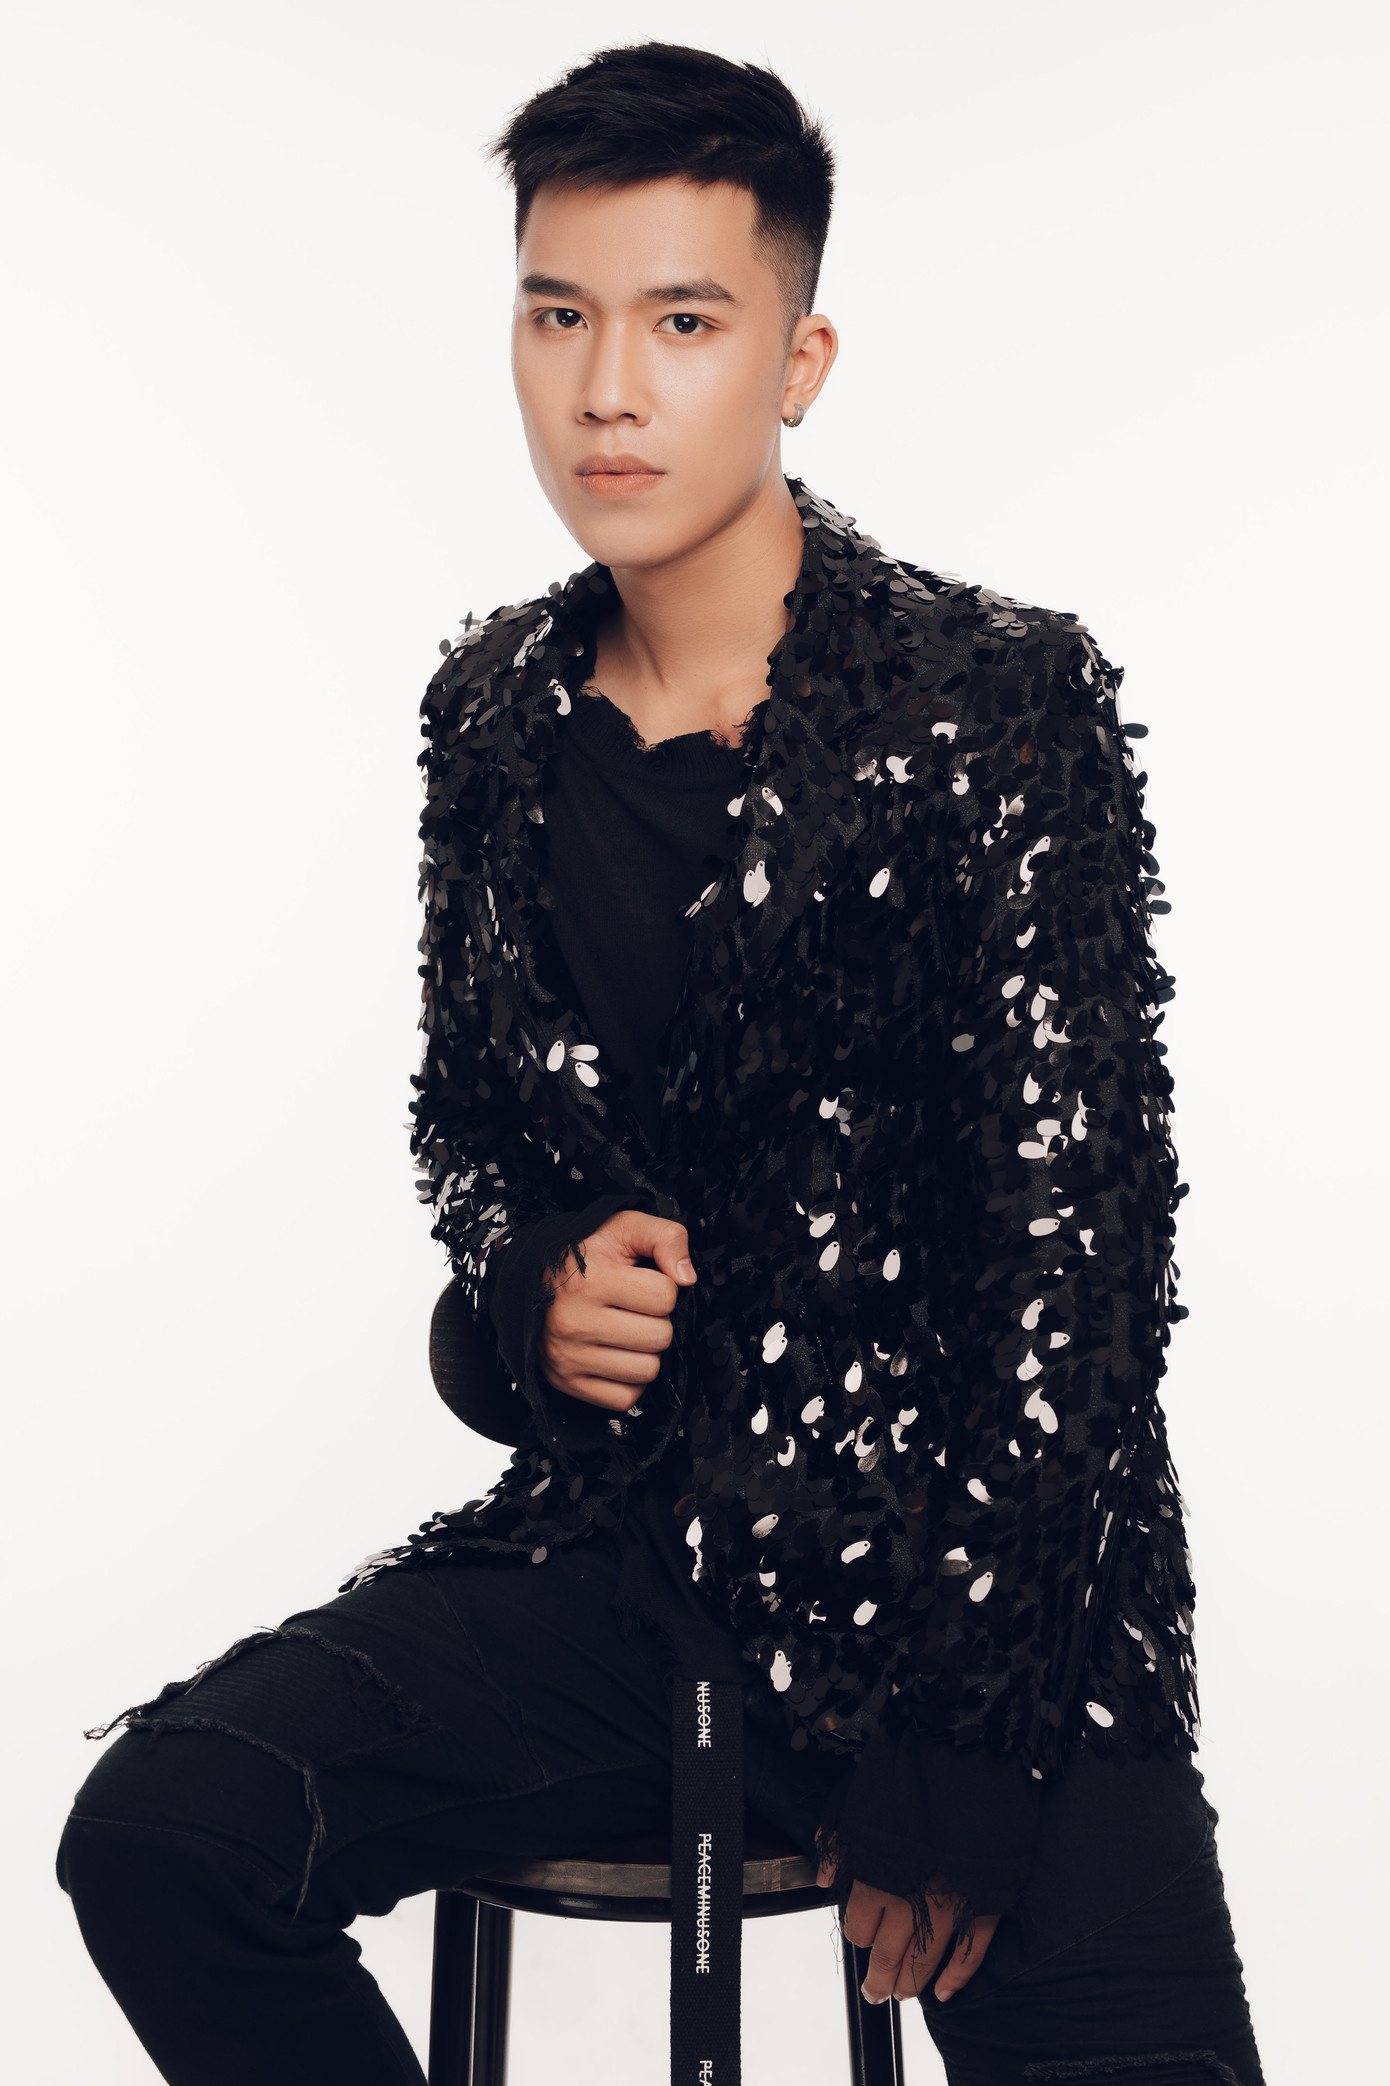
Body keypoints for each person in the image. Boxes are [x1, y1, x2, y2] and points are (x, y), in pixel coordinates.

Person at [57, 41, 1264, 2086]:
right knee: (169, 1834)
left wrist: (968, 1736)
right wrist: (526, 1298)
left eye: (681, 323)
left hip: (975, 1593)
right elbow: (480, 1142)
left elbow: (1075, 1279)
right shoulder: (490, 713)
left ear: (796, 360)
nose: (607, 387)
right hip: (632, 1566)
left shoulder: (994, 703)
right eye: (559, 316)